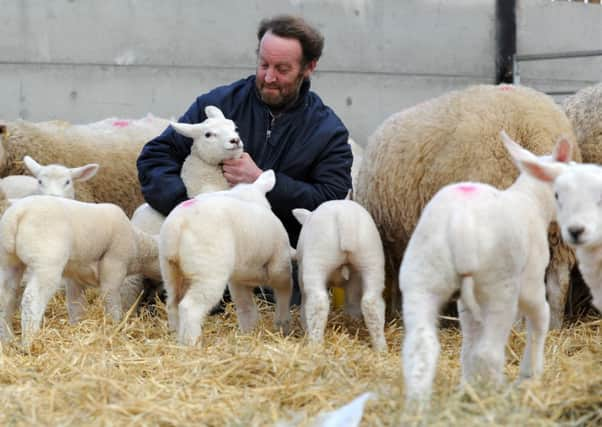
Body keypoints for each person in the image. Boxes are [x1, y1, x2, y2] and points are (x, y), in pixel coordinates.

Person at [137, 14, 353, 306]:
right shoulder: (219, 105)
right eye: (264, 64)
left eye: (282, 69)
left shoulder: (328, 132)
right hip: (205, 249)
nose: (269, 77)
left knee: (278, 303)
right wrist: (190, 207)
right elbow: (156, 157)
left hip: (270, 259)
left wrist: (262, 181)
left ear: (309, 68)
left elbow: (329, 200)